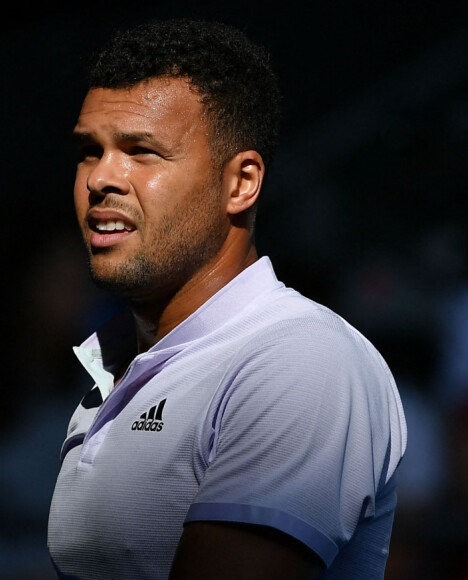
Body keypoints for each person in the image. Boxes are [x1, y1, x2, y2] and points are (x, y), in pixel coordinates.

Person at [47, 18, 407, 580]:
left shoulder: (299, 360)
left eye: (142, 151)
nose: (101, 178)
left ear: (241, 183)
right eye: (90, 151)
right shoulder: (115, 368)